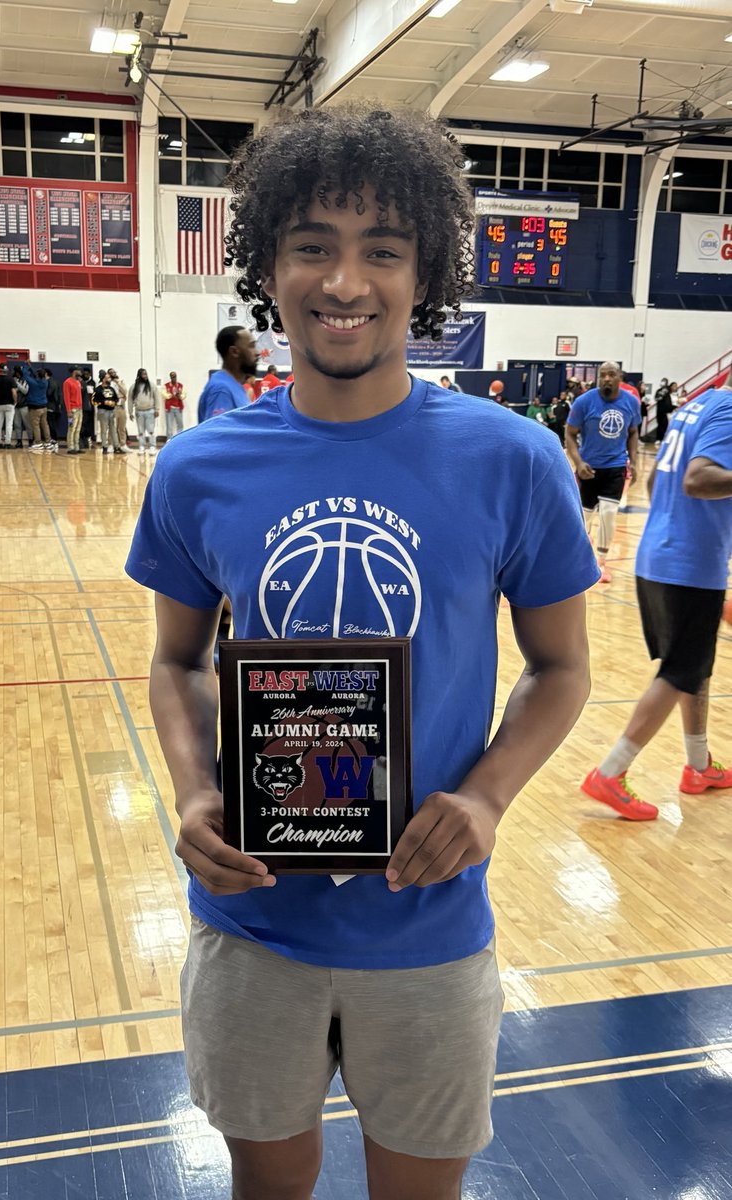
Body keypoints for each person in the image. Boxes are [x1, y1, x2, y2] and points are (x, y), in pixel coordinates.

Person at [125, 104, 598, 1200]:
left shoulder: (511, 459)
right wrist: (195, 794)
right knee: (268, 1186)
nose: (344, 281)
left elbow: (560, 666)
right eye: (312, 247)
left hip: (427, 927)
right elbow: (179, 662)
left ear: (421, 270)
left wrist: (482, 800)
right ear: (268, 267)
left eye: (380, 250)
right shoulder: (198, 467)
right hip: (252, 925)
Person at [582, 374, 732, 820]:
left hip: (661, 555)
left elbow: (653, 484)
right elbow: (699, 479)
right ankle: (610, 772)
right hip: (688, 565)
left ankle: (699, 765)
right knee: (681, 671)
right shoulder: (728, 413)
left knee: (693, 667)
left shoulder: (696, 407)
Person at [565, 361, 641, 584]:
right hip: (589, 468)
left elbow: (634, 432)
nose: (607, 379)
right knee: (584, 517)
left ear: (620, 378)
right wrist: (578, 462)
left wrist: (634, 461)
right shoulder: (584, 402)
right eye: (603, 375)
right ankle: (578, 559)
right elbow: (569, 434)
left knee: (608, 513)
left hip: (616, 466)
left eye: (611, 375)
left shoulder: (630, 402)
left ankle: (601, 563)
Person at [197, 326, 259, 422]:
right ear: (234, 352)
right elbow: (217, 434)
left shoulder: (234, 386)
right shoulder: (221, 390)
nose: (257, 352)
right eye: (251, 346)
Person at [22, 363, 57, 453]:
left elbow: (25, 375)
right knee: (45, 425)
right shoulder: (45, 382)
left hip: (35, 408)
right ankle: (48, 442)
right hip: (44, 407)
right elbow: (37, 374)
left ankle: (38, 442)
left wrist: (26, 366)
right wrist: (31, 366)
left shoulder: (33, 383)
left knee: (36, 426)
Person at [128, 368, 159, 456]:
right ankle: (142, 446)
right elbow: (130, 400)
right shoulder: (133, 387)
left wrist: (157, 409)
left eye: (146, 374)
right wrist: (130, 412)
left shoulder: (151, 385)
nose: (145, 376)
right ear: (139, 375)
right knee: (141, 431)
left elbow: (157, 397)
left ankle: (152, 446)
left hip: (150, 411)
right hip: (139, 412)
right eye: (143, 374)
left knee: (151, 430)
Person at [93, 372, 124, 454]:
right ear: (103, 379)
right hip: (103, 411)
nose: (109, 379)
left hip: (112, 411)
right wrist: (104, 402)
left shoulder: (112, 389)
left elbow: (116, 398)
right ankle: (104, 447)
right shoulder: (98, 389)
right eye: (107, 378)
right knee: (104, 430)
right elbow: (93, 401)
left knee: (113, 429)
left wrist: (114, 402)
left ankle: (116, 447)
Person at [0, 362, 17, 448]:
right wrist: (15, 401)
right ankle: (7, 443)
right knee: (9, 424)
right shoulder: (11, 379)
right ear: (6, 370)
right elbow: (14, 392)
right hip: (9, 404)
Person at [64, 366, 85, 455]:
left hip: (80, 409)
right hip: (72, 409)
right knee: (71, 428)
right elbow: (66, 397)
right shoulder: (67, 382)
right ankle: (70, 447)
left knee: (78, 429)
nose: (80, 372)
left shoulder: (78, 382)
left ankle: (77, 446)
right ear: (74, 371)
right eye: (78, 370)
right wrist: (68, 410)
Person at [11, 365, 33, 449]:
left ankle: (30, 440)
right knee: (17, 424)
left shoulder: (24, 380)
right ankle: (19, 441)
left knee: (28, 424)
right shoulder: (11, 380)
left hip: (24, 405)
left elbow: (25, 391)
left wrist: (17, 385)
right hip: (16, 406)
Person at [108, 369, 129, 451]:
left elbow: (125, 392)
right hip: (112, 408)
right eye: (111, 373)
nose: (113, 374)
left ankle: (123, 444)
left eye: (114, 372)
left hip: (121, 407)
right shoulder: (107, 383)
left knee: (122, 427)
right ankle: (111, 444)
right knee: (112, 427)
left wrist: (118, 383)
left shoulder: (120, 382)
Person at [162, 371, 186, 438]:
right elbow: (164, 394)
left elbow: (184, 395)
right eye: (172, 377)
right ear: (170, 377)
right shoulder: (166, 386)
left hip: (178, 408)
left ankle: (179, 439)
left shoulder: (180, 386)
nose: (174, 378)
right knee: (169, 426)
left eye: (175, 376)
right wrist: (171, 395)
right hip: (170, 408)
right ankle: (169, 440)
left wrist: (179, 396)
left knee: (180, 424)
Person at [44, 369, 63, 445]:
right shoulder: (56, 382)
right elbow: (60, 394)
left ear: (46, 374)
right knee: (52, 422)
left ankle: (53, 439)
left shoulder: (49, 382)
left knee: (50, 423)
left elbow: (49, 393)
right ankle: (53, 438)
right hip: (55, 405)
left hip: (50, 405)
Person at [80, 367, 96, 449]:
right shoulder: (81, 382)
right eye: (84, 374)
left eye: (87, 374)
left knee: (89, 424)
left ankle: (88, 438)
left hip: (90, 407)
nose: (85, 375)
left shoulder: (92, 383)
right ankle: (82, 439)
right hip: (82, 406)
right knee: (83, 423)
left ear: (89, 374)